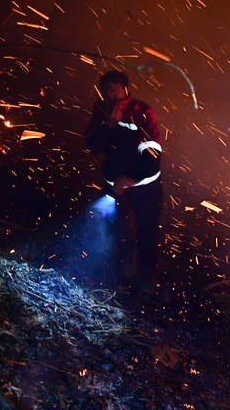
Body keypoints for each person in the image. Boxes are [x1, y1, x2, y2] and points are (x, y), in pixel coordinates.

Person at [85, 70, 163, 295]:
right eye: (106, 90)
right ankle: (128, 259)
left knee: (147, 232)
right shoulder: (101, 110)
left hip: (144, 186)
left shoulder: (141, 110)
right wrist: (109, 123)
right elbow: (94, 145)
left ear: (124, 88)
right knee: (115, 225)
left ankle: (147, 278)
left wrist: (133, 178)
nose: (110, 94)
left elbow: (152, 150)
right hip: (114, 188)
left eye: (114, 89)